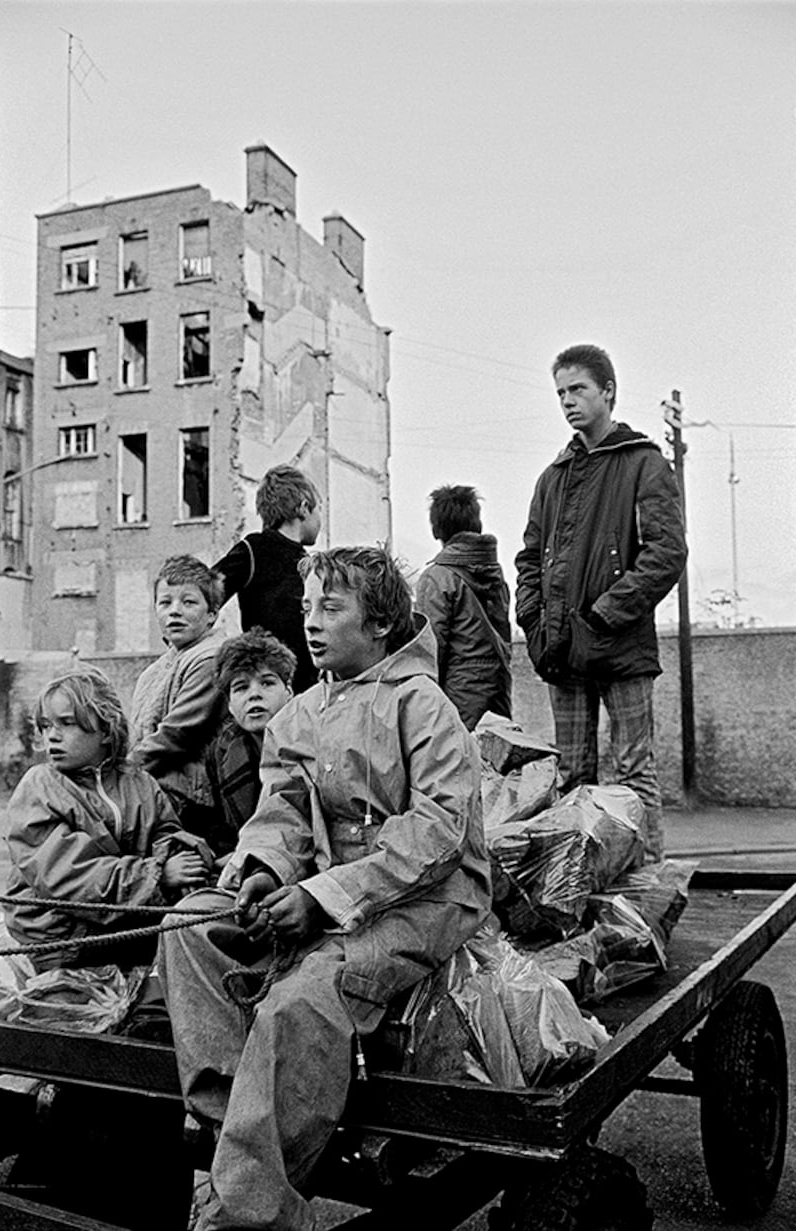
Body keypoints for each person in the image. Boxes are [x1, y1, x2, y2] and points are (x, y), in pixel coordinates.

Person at [159, 545, 491, 1231]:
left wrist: (318, 898)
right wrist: (262, 873)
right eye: (308, 606)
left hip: (428, 896)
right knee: (191, 927)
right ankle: (241, 1147)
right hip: (325, 886)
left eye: (330, 607)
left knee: (306, 993)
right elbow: (277, 815)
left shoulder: (424, 706)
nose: (309, 621)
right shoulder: (298, 713)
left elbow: (437, 833)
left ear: (379, 624)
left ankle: (249, 1210)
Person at [514, 344, 687, 860]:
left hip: (621, 647)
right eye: (561, 392)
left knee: (635, 773)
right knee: (572, 779)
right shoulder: (553, 477)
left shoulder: (644, 464)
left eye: (578, 389)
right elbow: (529, 557)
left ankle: (649, 891)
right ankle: (575, 894)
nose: (568, 401)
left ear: (607, 392)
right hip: (562, 652)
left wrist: (604, 615)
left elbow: (666, 552)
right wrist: (534, 621)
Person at [3, 667, 209, 970]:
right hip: (65, 935)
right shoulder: (40, 786)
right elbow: (69, 874)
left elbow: (166, 830)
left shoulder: (138, 781)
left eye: (66, 723)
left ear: (105, 728)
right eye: (46, 726)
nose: (52, 737)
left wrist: (182, 858)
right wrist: (156, 875)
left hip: (127, 920)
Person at [130, 555, 226, 853]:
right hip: (153, 790)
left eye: (188, 602)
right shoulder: (154, 670)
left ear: (211, 614)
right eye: (165, 602)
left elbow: (178, 734)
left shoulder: (210, 658)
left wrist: (121, 771)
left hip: (190, 802)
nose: (175, 611)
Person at [212, 464, 322, 694]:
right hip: (266, 683)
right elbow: (206, 591)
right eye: (318, 509)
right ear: (303, 508)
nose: (320, 518)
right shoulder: (254, 549)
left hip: (308, 686)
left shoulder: (311, 565)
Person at [415, 483, 512, 729]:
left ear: (436, 530)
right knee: (496, 758)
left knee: (457, 761)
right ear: (477, 523)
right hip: (498, 685)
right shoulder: (496, 574)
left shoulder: (437, 577)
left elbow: (430, 648)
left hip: (458, 693)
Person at [204, 629, 296, 858]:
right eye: (241, 687)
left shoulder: (307, 741)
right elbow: (220, 826)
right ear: (230, 705)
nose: (254, 695)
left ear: (289, 693)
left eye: (267, 683)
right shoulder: (221, 751)